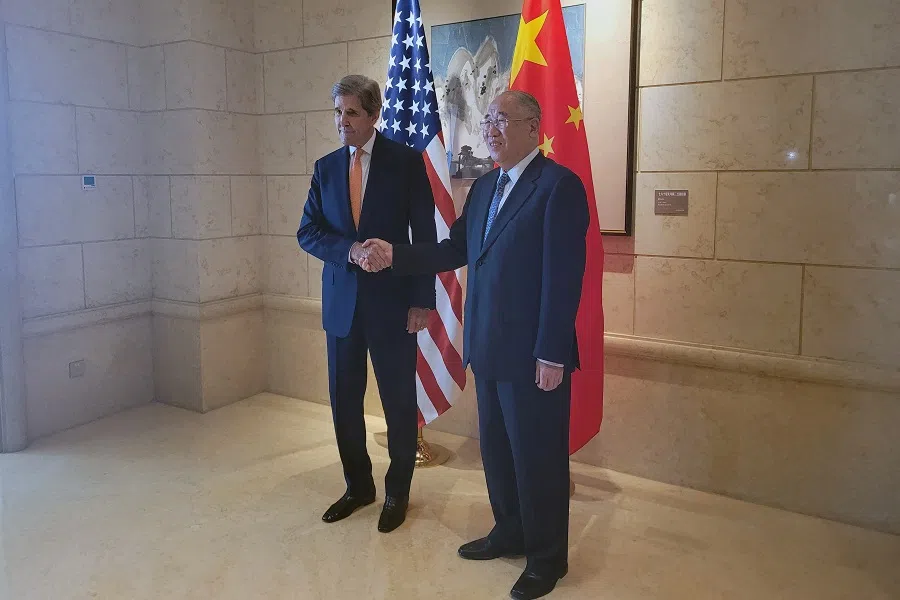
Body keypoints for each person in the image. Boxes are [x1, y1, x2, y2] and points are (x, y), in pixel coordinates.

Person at [361, 90, 588, 600]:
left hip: (533, 357)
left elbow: (563, 278)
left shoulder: (558, 187)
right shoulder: (484, 187)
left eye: (502, 119)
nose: (490, 127)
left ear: (533, 126)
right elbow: (452, 250)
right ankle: (510, 531)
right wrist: (395, 254)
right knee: (499, 453)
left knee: (539, 459)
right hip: (486, 347)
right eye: (488, 119)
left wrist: (552, 352)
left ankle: (547, 558)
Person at [296, 74, 437, 533]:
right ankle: (359, 486)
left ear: (374, 114)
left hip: (395, 306)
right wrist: (349, 251)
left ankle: (398, 490)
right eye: (337, 112)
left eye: (351, 112)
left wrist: (422, 299)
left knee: (398, 403)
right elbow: (308, 232)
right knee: (344, 402)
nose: (342, 121)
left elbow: (425, 236)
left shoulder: (406, 162)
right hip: (342, 308)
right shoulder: (326, 167)